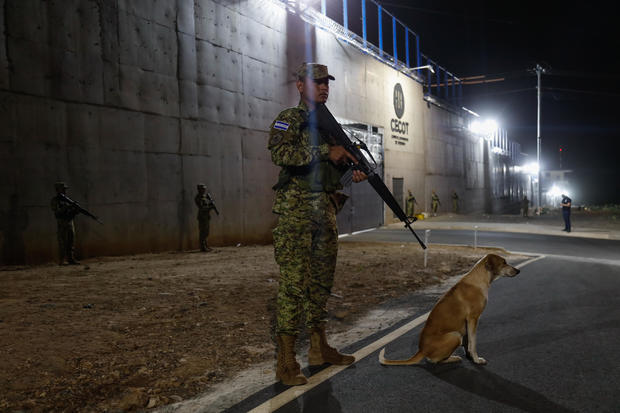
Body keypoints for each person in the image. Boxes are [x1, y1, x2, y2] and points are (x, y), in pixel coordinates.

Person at [268, 62, 367, 386]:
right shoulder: (289, 118)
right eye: (317, 82)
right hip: (297, 210)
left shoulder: (329, 126)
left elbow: (327, 171)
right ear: (300, 86)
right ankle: (285, 362)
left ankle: (318, 347)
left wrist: (350, 170)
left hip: (324, 209)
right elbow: (281, 154)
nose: (324, 87)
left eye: (327, 82)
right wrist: (327, 151)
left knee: (321, 283)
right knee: (295, 284)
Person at [50, 182, 79, 265]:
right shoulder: (55, 200)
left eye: (65, 189)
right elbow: (57, 211)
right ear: (58, 190)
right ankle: (62, 260)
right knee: (63, 242)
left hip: (70, 222)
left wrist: (75, 210)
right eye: (63, 189)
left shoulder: (67, 199)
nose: (65, 191)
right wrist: (68, 206)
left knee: (71, 241)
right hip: (62, 223)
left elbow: (71, 212)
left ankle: (71, 259)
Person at [194, 184, 217, 252]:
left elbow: (206, 205)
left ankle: (206, 245)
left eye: (204, 189)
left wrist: (211, 203)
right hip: (202, 217)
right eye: (203, 189)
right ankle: (202, 247)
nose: (204, 190)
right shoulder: (198, 197)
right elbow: (202, 208)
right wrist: (210, 207)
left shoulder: (205, 197)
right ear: (199, 189)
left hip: (206, 216)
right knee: (202, 232)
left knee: (206, 232)